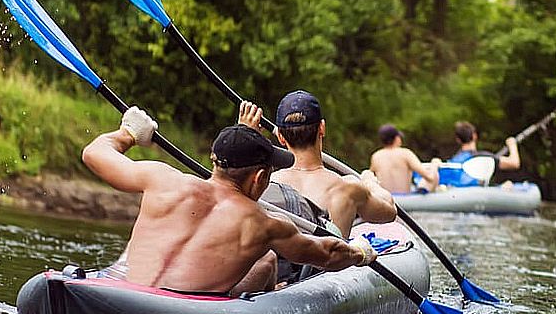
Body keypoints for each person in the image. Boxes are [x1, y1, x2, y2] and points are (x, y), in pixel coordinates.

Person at [82, 107, 378, 297]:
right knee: (265, 260)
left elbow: (94, 153)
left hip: (120, 290)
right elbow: (326, 255)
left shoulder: (162, 179)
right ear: (260, 177)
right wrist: (359, 253)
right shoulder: (265, 224)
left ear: (215, 162)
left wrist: (128, 134)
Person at [237, 93, 396, 238]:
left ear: (280, 137)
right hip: (332, 265)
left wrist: (245, 137)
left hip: (284, 267)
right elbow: (389, 211)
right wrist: (370, 182)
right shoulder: (348, 187)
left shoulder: (262, 186)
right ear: (322, 128)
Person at [369, 124, 440, 194]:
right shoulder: (405, 153)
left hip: (386, 200)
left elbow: (370, 177)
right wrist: (434, 164)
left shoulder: (376, 156)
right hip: (405, 199)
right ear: (397, 138)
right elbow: (430, 177)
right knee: (434, 175)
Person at [448, 121, 520, 187]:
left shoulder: (453, 161)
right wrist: (512, 144)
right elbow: (514, 163)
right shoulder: (484, 157)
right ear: (474, 136)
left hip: (462, 192)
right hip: (477, 193)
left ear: (458, 140)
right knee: (508, 185)